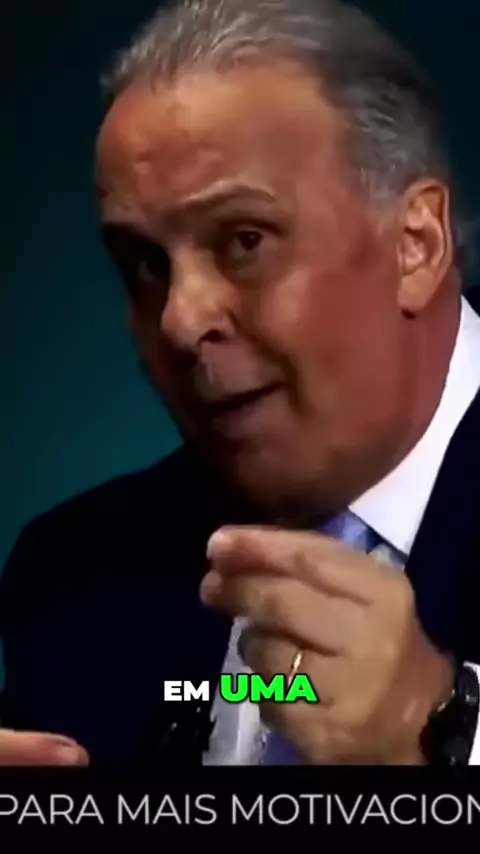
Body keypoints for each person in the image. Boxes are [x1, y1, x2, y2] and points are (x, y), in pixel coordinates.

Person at [2, 0, 480, 767]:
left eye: (244, 240)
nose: (179, 321)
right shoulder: (75, 580)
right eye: (145, 266)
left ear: (415, 244)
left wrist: (444, 736)